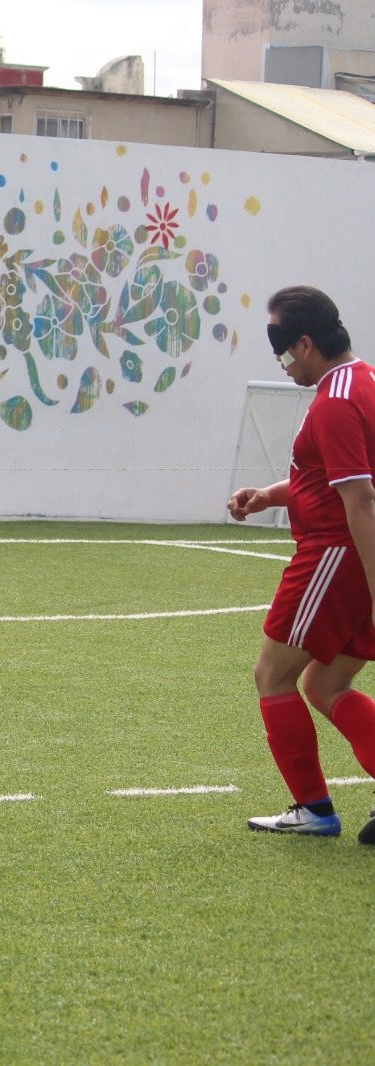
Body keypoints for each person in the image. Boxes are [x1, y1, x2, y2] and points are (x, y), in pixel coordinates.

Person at [229, 285, 375, 843]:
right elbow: (326, 480)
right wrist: (270, 494)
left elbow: (359, 498)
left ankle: (314, 809)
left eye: (282, 350)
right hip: (348, 559)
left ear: (306, 343)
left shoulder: (334, 402)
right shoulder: (359, 381)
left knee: (273, 674)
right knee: (324, 684)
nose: (281, 362)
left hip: (333, 557)